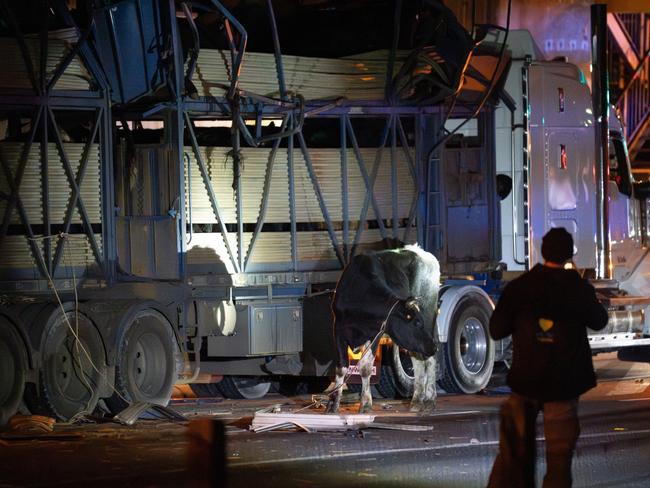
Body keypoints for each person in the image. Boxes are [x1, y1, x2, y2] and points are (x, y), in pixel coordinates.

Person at [487, 227, 608, 488]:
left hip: (525, 382)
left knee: (513, 457)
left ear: (542, 252)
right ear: (568, 254)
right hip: (564, 386)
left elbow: (496, 329)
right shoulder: (578, 288)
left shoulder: (520, 287)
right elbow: (599, 321)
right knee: (559, 463)